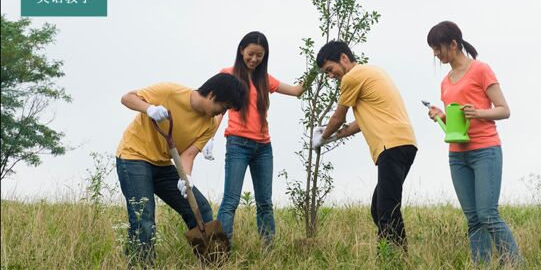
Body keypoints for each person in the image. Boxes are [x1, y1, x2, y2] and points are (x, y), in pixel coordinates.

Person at [115, 73, 247, 263]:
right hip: (133, 157)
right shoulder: (169, 91)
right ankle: (141, 265)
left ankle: (215, 263)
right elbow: (127, 98)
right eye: (223, 107)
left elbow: (188, 155)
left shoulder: (208, 125)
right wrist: (149, 109)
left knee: (201, 209)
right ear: (212, 95)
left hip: (162, 164)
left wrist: (186, 178)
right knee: (144, 219)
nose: (220, 114)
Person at [426, 20, 523, 265]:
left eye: (438, 48)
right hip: (457, 155)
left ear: (453, 44)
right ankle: (481, 265)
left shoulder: (481, 70)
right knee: (473, 219)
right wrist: (441, 116)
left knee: (488, 215)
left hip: (485, 151)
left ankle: (515, 263)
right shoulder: (445, 82)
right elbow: (457, 124)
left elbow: (504, 110)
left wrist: (478, 112)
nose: (436, 54)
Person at [312, 40, 418, 254]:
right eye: (326, 73)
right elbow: (358, 123)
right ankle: (397, 255)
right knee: (378, 208)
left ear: (343, 58)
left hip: (392, 146)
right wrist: (330, 137)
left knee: (387, 210)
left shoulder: (352, 77)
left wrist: (321, 137)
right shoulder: (371, 73)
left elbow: (338, 117)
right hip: (403, 143)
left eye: (330, 70)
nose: (331, 76)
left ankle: (393, 260)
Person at [216, 31, 307, 248]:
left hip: (263, 147)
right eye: (251, 54)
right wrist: (208, 139)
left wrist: (316, 70)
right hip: (237, 144)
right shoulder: (228, 75)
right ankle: (219, 251)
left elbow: (296, 91)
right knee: (231, 201)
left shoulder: (265, 80)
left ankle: (269, 250)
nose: (254, 59)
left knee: (265, 203)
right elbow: (218, 109)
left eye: (260, 56)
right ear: (241, 51)